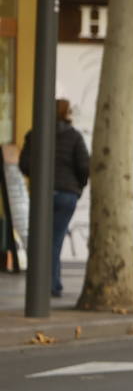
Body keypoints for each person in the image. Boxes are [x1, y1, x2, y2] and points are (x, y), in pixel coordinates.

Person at [17, 98, 89, 298]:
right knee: (54, 240)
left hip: (42, 193)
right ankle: (51, 285)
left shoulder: (34, 135)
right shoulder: (74, 137)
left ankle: (49, 284)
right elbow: (84, 166)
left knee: (42, 239)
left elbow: (24, 164)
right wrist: (77, 187)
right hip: (67, 194)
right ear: (67, 113)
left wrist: (38, 178)